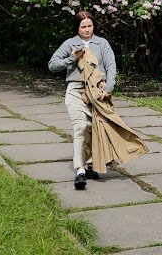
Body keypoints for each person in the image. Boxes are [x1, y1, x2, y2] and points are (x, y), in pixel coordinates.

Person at [49, 11, 122, 189]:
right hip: (75, 90)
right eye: (83, 27)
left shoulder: (102, 43)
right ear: (77, 28)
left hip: (96, 92)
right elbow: (52, 65)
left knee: (93, 128)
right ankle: (80, 170)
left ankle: (89, 164)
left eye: (90, 26)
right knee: (80, 127)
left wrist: (109, 86)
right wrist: (72, 58)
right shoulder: (70, 44)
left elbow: (111, 65)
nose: (87, 30)